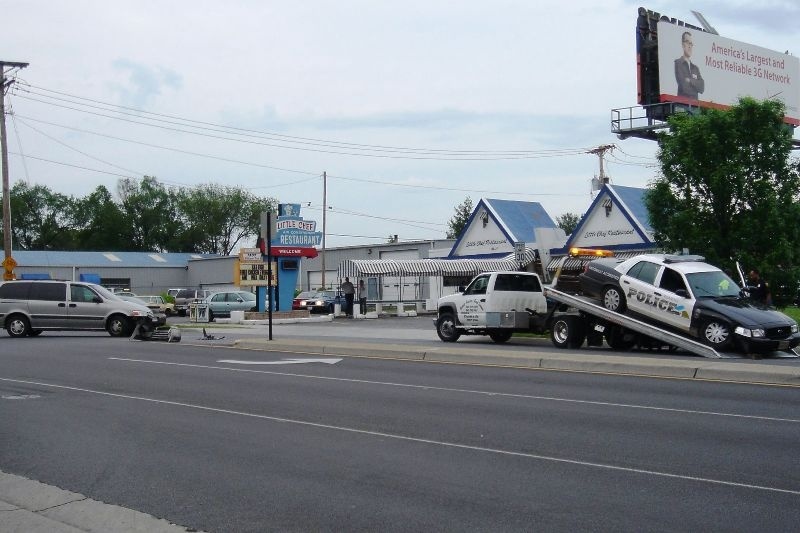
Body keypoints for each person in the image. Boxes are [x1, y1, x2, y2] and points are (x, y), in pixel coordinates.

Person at [674, 31, 704, 99]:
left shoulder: (695, 68)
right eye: (687, 42)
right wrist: (696, 86)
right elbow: (684, 87)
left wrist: (690, 80)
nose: (690, 46)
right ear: (682, 44)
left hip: (695, 107)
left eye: (691, 43)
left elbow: (702, 88)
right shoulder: (678, 63)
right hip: (682, 105)